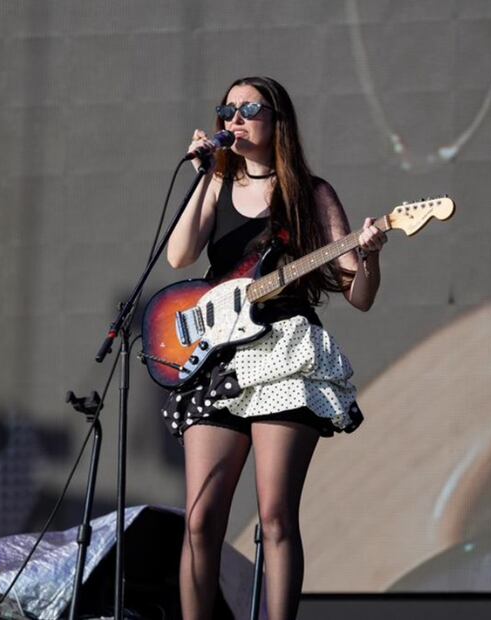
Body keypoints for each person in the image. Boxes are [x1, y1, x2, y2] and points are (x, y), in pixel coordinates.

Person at [164, 76, 385, 620]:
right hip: (220, 355)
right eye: (227, 110)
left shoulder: (311, 193)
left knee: (276, 515)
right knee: (199, 520)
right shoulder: (215, 183)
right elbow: (179, 257)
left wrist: (372, 253)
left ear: (276, 121)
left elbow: (360, 296)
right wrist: (204, 177)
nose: (234, 119)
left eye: (248, 109)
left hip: (285, 352)